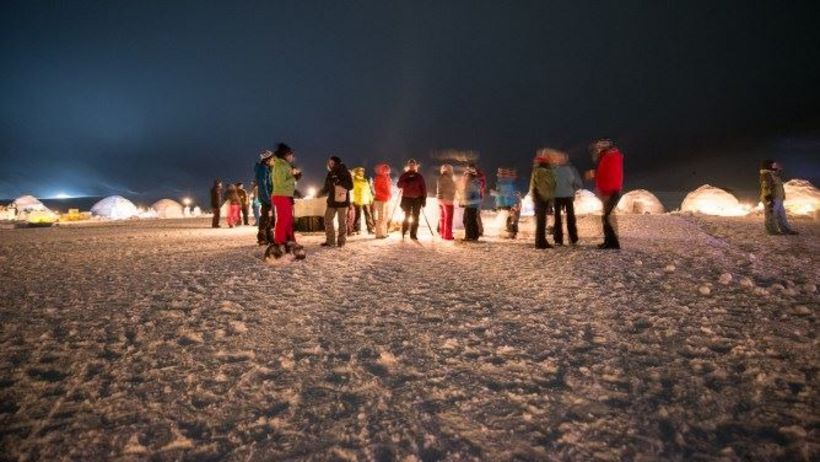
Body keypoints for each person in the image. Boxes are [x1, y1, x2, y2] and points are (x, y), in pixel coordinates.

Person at [587, 139, 623, 249]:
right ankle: (608, 241)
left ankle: (613, 243)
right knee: (606, 217)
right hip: (608, 191)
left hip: (610, 191)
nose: (597, 151)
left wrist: (594, 175)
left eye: (598, 148)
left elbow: (609, 175)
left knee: (606, 218)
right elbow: (605, 174)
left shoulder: (610, 157)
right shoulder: (608, 157)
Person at [318, 155, 354, 247]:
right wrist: (320, 193)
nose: (330, 164)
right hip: (332, 201)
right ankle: (330, 241)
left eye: (332, 163)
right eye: (329, 163)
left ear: (337, 163)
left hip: (342, 201)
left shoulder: (345, 172)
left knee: (341, 222)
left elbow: (350, 186)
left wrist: (339, 182)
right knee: (327, 219)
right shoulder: (330, 173)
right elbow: (326, 187)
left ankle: (341, 241)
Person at [270, 143, 300, 251]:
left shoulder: (284, 165)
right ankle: (279, 244)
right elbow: (281, 183)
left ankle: (289, 242)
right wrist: (294, 178)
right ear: (286, 154)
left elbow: (286, 181)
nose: (292, 157)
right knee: (283, 220)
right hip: (281, 195)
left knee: (288, 220)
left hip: (285, 195)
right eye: (291, 154)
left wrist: (295, 177)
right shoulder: (280, 165)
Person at [551, 151, 582, 245]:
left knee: (569, 218)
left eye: (562, 158)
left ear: (566, 159)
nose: (560, 160)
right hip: (559, 196)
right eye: (559, 158)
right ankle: (560, 239)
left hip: (566, 196)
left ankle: (571, 239)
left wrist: (574, 189)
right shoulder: (555, 169)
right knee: (560, 219)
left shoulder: (570, 169)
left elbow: (577, 182)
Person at [760, 160, 798, 235]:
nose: (776, 166)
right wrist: (769, 199)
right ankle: (772, 231)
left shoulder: (774, 175)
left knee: (781, 215)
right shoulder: (766, 175)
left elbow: (778, 187)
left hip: (778, 198)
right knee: (771, 215)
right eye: (774, 165)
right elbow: (766, 187)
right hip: (772, 198)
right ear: (769, 166)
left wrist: (782, 197)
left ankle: (785, 230)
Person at [530, 150, 557, 249]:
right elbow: (546, 185)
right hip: (542, 198)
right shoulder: (543, 171)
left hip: (540, 197)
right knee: (541, 221)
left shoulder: (540, 169)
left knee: (541, 221)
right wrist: (547, 197)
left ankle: (541, 241)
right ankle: (540, 242)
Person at [396, 159, 427, 240]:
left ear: (415, 166)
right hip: (407, 198)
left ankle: (413, 234)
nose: (412, 166)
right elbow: (399, 185)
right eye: (410, 165)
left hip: (417, 199)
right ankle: (404, 230)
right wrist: (405, 182)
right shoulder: (404, 175)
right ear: (408, 166)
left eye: (413, 165)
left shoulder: (419, 176)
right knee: (407, 215)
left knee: (416, 216)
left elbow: (423, 188)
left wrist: (424, 198)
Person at [254, 150, 275, 245]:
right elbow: (263, 185)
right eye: (272, 159)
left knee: (268, 217)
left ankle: (269, 236)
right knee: (265, 217)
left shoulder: (267, 169)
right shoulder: (263, 169)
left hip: (269, 197)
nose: (273, 160)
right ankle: (262, 237)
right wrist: (267, 199)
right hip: (266, 197)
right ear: (267, 160)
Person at [492, 167, 519, 239]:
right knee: (508, 219)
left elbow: (507, 194)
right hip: (505, 204)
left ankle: (512, 233)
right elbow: (500, 196)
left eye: (502, 175)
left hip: (509, 204)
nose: (500, 176)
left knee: (510, 218)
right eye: (500, 174)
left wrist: (496, 193)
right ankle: (511, 232)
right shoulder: (501, 183)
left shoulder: (507, 184)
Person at [460, 165, 483, 241]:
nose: (465, 176)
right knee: (470, 221)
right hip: (470, 206)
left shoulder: (472, 184)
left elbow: (477, 198)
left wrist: (467, 202)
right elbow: (466, 194)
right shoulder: (471, 183)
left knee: (468, 221)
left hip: (471, 206)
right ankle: (474, 236)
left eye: (466, 175)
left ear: (470, 175)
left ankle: (470, 236)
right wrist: (462, 201)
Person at [351, 167, 376, 235]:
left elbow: (368, 191)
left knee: (368, 215)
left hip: (366, 200)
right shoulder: (354, 180)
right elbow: (352, 191)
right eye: (359, 171)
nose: (361, 172)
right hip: (358, 200)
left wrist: (370, 199)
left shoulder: (365, 181)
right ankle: (356, 229)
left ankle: (370, 229)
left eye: (362, 171)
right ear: (356, 172)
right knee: (358, 215)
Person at [436, 164, 456, 240]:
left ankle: (443, 233)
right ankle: (447, 235)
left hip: (440, 199)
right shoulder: (448, 178)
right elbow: (452, 189)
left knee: (442, 217)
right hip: (448, 200)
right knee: (448, 219)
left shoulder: (440, 178)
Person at [372, 164, 392, 238]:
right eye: (385, 169)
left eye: (387, 169)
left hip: (386, 199)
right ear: (382, 170)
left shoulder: (387, 178)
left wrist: (389, 195)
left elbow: (388, 188)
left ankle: (384, 232)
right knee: (381, 217)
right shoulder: (379, 177)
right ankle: (379, 234)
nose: (387, 170)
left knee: (385, 217)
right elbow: (376, 189)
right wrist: (385, 195)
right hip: (380, 199)